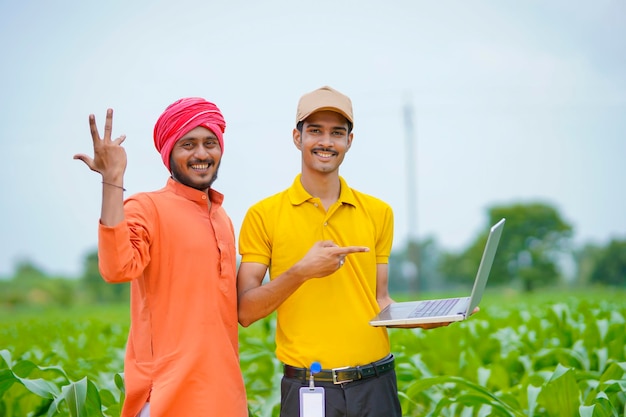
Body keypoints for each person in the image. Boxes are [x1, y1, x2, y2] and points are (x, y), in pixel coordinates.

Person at [237, 86, 447, 417]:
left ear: (350, 141)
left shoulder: (378, 212)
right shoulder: (263, 215)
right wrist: (302, 270)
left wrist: (421, 319)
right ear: (297, 137)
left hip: (375, 384)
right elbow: (246, 311)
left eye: (337, 132)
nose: (326, 142)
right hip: (308, 389)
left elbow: (380, 302)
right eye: (315, 131)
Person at [73, 98, 248, 417]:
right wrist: (112, 180)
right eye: (188, 144)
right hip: (167, 400)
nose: (201, 154)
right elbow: (116, 268)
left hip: (226, 398)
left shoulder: (222, 218)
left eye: (210, 142)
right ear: (169, 152)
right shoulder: (145, 207)